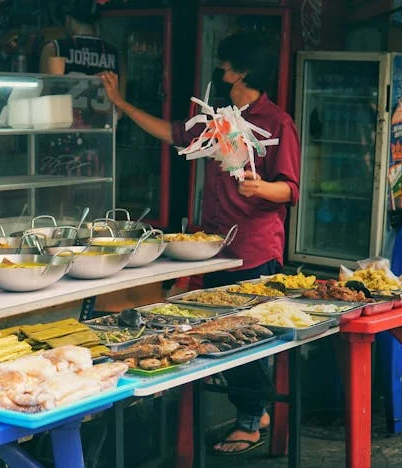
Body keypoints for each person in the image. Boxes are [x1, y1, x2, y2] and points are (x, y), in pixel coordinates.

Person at [101, 31, 301, 455]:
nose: (219, 69)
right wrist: (120, 105)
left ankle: (249, 420)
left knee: (245, 339)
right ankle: (255, 410)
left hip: (255, 249)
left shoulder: (276, 123)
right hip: (213, 247)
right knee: (215, 336)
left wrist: (262, 189)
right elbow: (173, 133)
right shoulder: (220, 120)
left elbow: (290, 190)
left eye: (225, 64)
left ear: (240, 71)